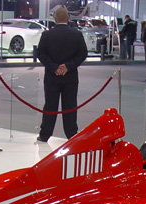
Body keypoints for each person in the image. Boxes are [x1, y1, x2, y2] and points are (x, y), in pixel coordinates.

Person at [35, 6, 87, 142]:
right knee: (70, 106)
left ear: (55, 18)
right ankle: (71, 134)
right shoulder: (76, 34)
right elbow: (83, 54)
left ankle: (45, 134)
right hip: (70, 77)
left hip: (52, 77)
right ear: (67, 18)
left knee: (50, 105)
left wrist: (54, 67)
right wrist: (68, 67)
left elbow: (41, 54)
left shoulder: (46, 35)